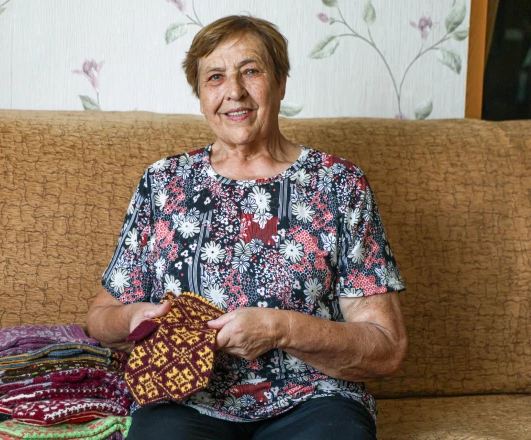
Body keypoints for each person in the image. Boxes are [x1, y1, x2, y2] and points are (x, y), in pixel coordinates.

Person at [87, 15, 407, 440]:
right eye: (215, 77)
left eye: (251, 71)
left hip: (314, 400)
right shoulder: (164, 183)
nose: (234, 91)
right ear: (201, 95)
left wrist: (280, 329)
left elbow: (386, 347)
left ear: (281, 82)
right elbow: (99, 319)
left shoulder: (339, 185)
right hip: (187, 400)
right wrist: (134, 318)